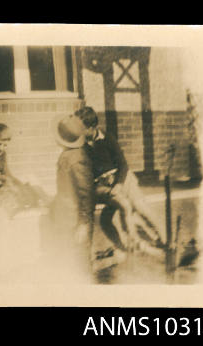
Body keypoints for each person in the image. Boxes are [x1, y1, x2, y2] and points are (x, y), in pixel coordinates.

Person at [74, 106, 166, 253]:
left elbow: (123, 164)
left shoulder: (107, 138)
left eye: (82, 128)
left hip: (122, 178)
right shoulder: (81, 146)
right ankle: (125, 248)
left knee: (141, 206)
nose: (78, 132)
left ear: (92, 127)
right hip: (104, 186)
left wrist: (119, 184)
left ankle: (166, 240)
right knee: (106, 220)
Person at [49, 113, 95, 282]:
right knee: (69, 261)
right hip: (66, 217)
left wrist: (83, 224)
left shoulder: (78, 159)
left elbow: (86, 193)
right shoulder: (68, 155)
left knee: (80, 263)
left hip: (75, 220)